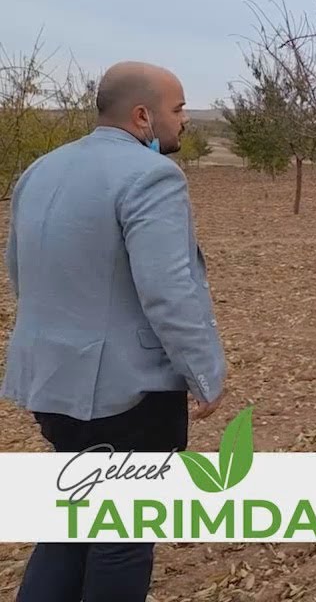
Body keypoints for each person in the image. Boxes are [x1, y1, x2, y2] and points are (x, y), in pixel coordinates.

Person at [2, 61, 228, 602]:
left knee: (72, 525)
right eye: (177, 110)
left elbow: (19, 272)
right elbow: (168, 290)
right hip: (125, 396)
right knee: (122, 540)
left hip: (52, 384)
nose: (184, 122)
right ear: (143, 115)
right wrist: (205, 373)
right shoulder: (152, 176)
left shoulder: (40, 170)